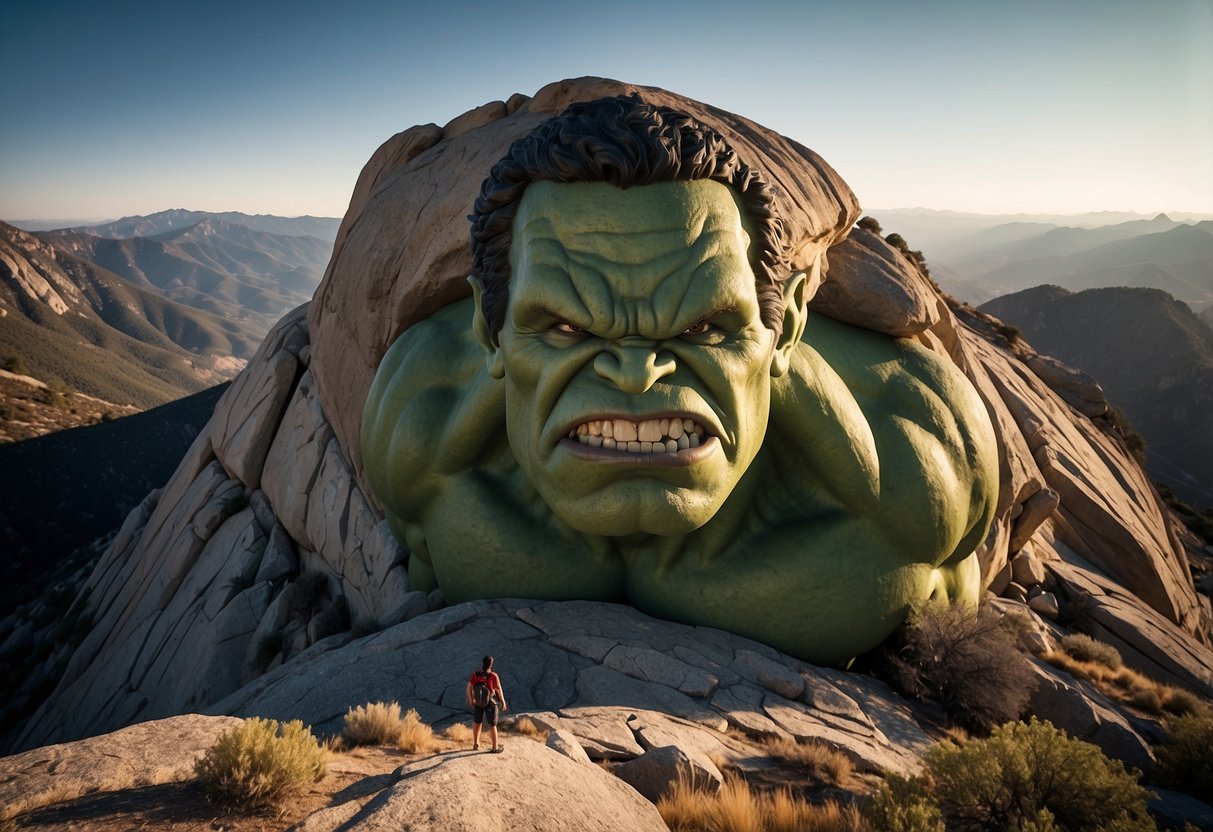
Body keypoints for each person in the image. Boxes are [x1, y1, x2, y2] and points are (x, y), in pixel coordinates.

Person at [362, 94, 998, 666]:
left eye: (701, 328)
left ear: (790, 325)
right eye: (566, 328)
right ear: (487, 328)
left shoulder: (913, 480)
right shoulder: (423, 438)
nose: (638, 374)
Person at [465, 655, 507, 752]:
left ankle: (476, 744)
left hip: (478, 702)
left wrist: (471, 699)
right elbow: (498, 690)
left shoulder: (475, 674)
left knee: (477, 722)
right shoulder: (493, 676)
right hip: (490, 703)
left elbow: (469, 688)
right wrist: (503, 702)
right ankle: (495, 748)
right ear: (491, 664)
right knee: (492, 725)